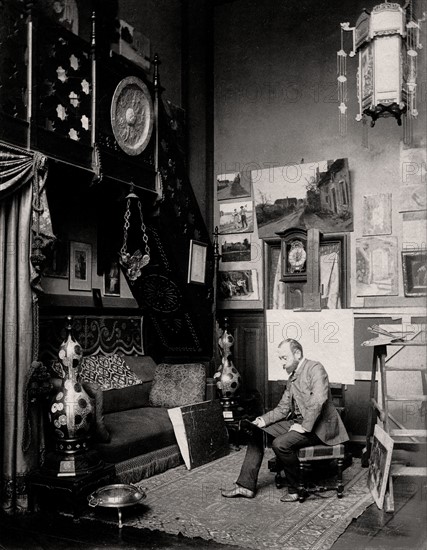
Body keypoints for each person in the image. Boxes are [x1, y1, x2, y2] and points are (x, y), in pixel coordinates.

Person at [221, 338, 349, 502]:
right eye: (280, 358)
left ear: (297, 354)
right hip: (299, 422)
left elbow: (318, 400)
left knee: (280, 444)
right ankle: (245, 486)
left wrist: (304, 427)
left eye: (284, 358)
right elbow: (283, 408)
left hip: (321, 427)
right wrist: (263, 420)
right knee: (256, 431)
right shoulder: (293, 377)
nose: (281, 363)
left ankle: (296, 489)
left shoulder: (315, 368)